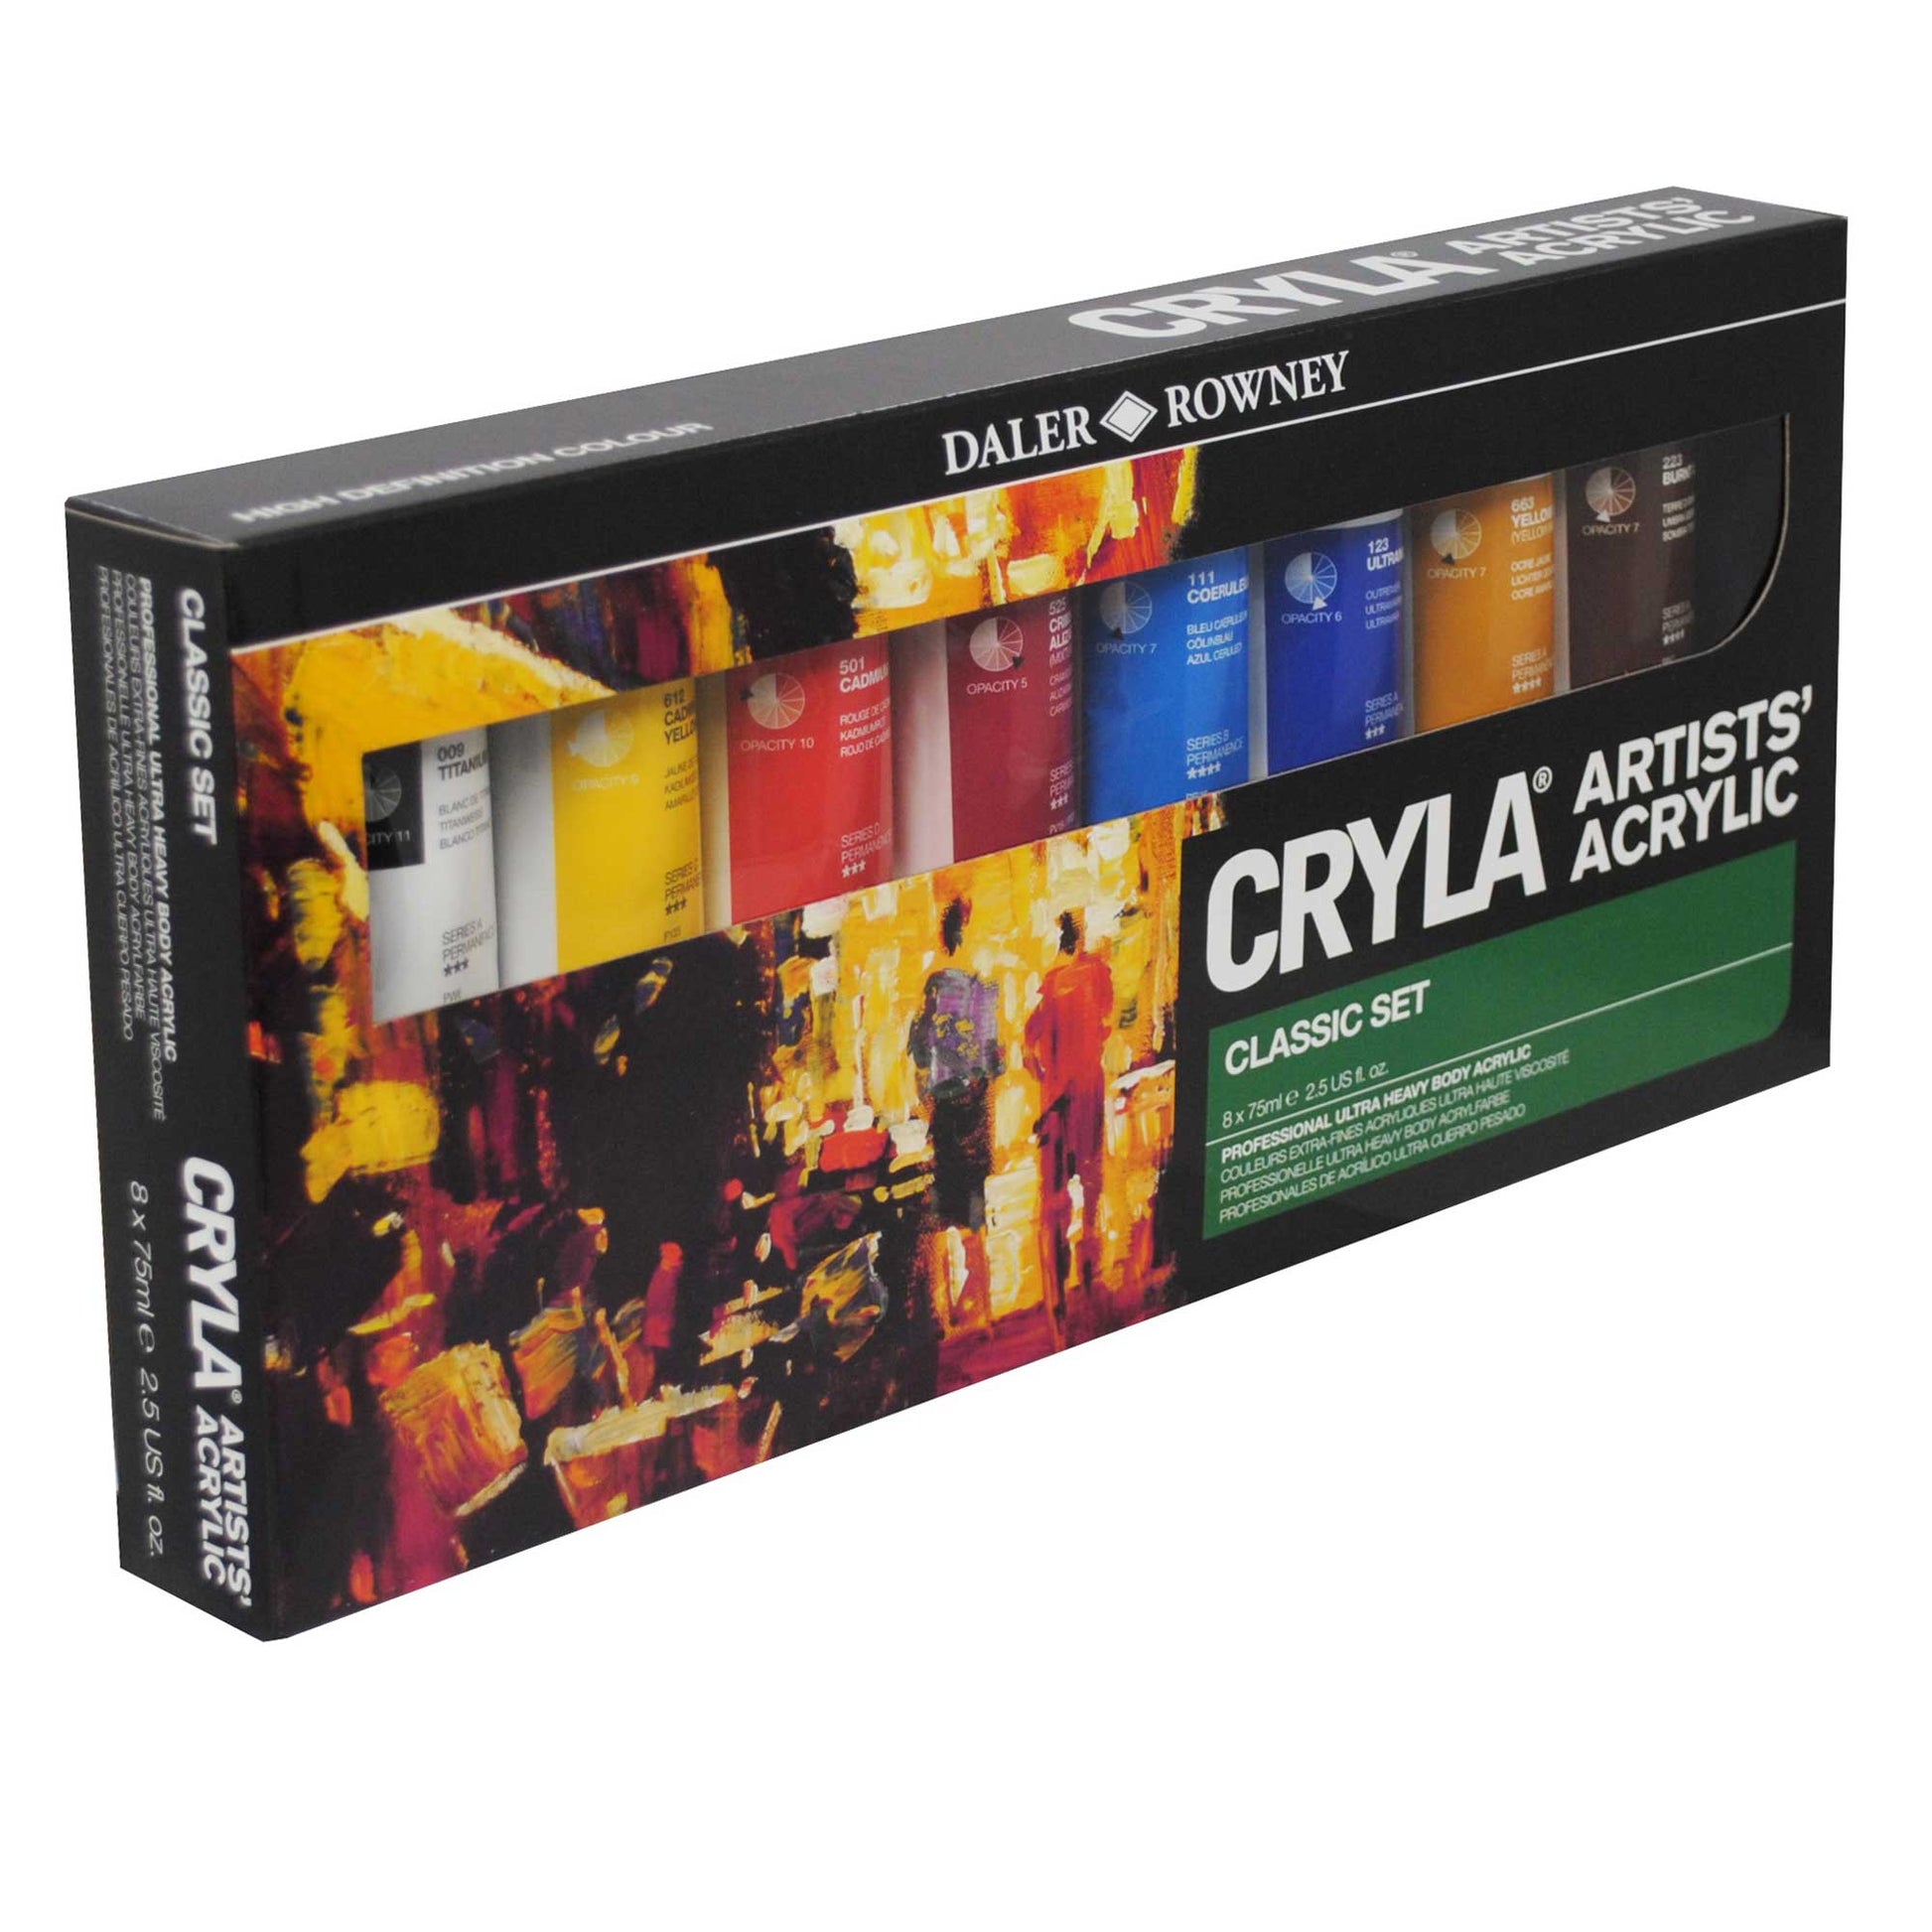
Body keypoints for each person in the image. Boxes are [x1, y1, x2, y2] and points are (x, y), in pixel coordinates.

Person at [907, 897, 1003, 1332]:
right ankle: (982, 1307)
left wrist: (927, 1095)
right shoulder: (983, 989)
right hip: (976, 1110)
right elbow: (995, 1060)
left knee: (944, 1212)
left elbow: (918, 1054)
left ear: (942, 934)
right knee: (973, 1212)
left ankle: (953, 1309)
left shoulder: (934, 987)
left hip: (946, 1110)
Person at [1024, 910, 1114, 1348]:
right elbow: (1106, 1024)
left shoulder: (1051, 983)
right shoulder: (1097, 974)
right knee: (1091, 1190)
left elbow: (1028, 1049)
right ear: (1081, 938)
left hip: (1057, 1103)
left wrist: (1045, 1076)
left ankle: (1058, 1309)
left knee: (1053, 1205)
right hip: (1089, 1094)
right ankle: (1089, 1283)